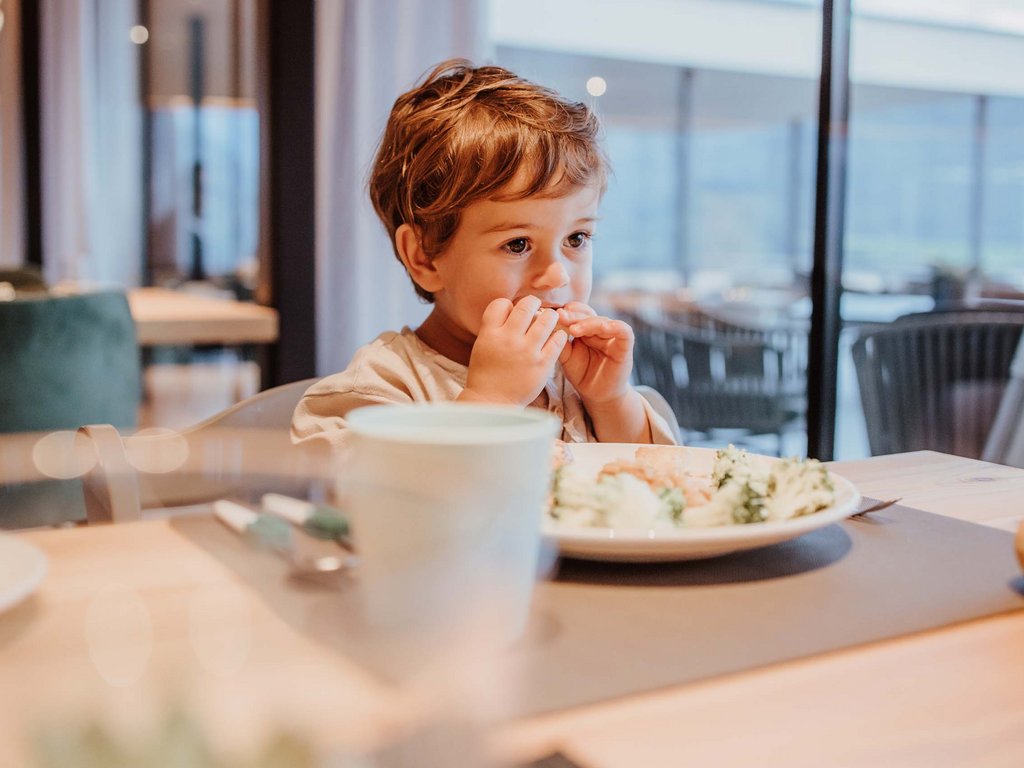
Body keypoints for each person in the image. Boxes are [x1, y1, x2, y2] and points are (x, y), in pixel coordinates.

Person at [292, 58, 676, 448]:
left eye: (576, 238)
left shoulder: (575, 377)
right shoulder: (382, 389)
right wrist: (490, 402)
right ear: (424, 257)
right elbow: (332, 481)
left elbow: (668, 476)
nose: (558, 274)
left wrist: (610, 400)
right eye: (517, 244)